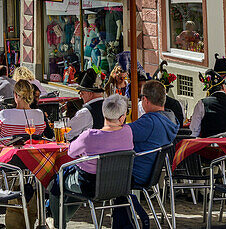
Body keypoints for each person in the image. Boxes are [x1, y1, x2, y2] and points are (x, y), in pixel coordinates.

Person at [48, 94, 134, 229]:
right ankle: (62, 219)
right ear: (122, 117)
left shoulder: (89, 136)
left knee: (55, 182)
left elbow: (71, 152)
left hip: (91, 186)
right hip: (119, 184)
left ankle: (58, 223)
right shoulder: (128, 132)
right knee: (72, 181)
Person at [113, 80, 179, 229]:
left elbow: (119, 133)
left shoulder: (149, 122)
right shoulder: (171, 118)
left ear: (145, 100)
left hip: (134, 173)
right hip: (151, 172)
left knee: (98, 174)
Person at [189, 70, 226, 138]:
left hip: (210, 146)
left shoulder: (202, 103)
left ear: (208, 91)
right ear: (223, 87)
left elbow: (193, 131)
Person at [67, 69, 106, 140]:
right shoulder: (110, 106)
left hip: (91, 149)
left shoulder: (85, 112)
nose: (80, 96)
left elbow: (67, 134)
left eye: (82, 93)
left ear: (90, 93)